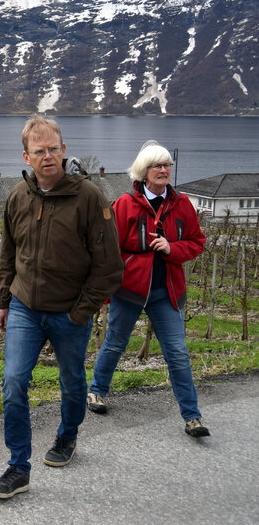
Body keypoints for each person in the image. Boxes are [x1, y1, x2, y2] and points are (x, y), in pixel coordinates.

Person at [0, 115, 124, 499]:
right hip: (25, 308)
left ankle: (67, 435)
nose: (48, 157)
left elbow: (110, 267)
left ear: (63, 151)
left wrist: (81, 311)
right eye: (39, 151)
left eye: (54, 150)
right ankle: (18, 467)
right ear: (26, 156)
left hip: (69, 312)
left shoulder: (89, 198)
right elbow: (8, 254)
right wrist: (3, 301)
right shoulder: (18, 196)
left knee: (72, 381)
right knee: (14, 382)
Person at [88, 141, 209, 437]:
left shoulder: (182, 205)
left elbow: (197, 242)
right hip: (128, 291)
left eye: (167, 165)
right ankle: (97, 391)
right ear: (144, 171)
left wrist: (172, 248)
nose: (164, 170)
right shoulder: (125, 205)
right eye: (158, 166)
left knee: (178, 353)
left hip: (166, 292)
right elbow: (109, 253)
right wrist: (103, 296)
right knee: (116, 343)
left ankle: (192, 416)